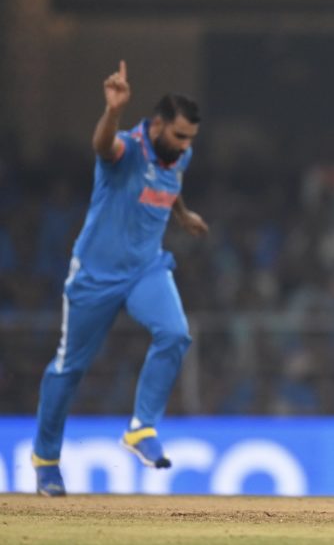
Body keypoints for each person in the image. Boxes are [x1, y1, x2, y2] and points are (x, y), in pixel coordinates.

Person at [32, 61, 208, 496]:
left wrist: (182, 215)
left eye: (191, 139)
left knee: (175, 334)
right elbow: (101, 145)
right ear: (157, 126)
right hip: (95, 274)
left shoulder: (179, 154)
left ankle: (141, 427)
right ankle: (46, 459)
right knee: (68, 369)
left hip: (146, 268)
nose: (185, 145)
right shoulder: (126, 149)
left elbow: (171, 181)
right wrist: (112, 111)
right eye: (179, 135)